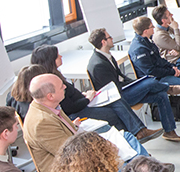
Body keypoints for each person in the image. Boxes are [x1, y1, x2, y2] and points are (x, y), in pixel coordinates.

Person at [21, 74, 153, 172]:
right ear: (50, 96)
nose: (65, 88)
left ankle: (149, 170)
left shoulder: (50, 107)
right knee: (125, 161)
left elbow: (64, 136)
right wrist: (103, 148)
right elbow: (70, 154)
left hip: (78, 147)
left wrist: (73, 125)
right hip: (73, 169)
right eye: (61, 87)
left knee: (126, 137)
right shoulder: (41, 122)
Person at [31, 45, 162, 142]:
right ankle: (134, 140)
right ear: (51, 60)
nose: (61, 56)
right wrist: (87, 99)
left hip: (84, 102)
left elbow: (70, 97)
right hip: (78, 112)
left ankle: (137, 136)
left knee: (117, 100)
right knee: (114, 114)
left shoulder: (56, 75)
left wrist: (84, 95)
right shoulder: (51, 83)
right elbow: (69, 107)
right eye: (57, 55)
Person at [87, 27, 180, 142]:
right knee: (150, 82)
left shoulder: (107, 56)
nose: (112, 39)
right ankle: (168, 88)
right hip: (119, 98)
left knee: (160, 95)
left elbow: (121, 77)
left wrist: (135, 83)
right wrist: (137, 86)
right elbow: (113, 90)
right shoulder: (98, 64)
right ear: (103, 42)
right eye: (109, 37)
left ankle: (169, 131)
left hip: (123, 90)